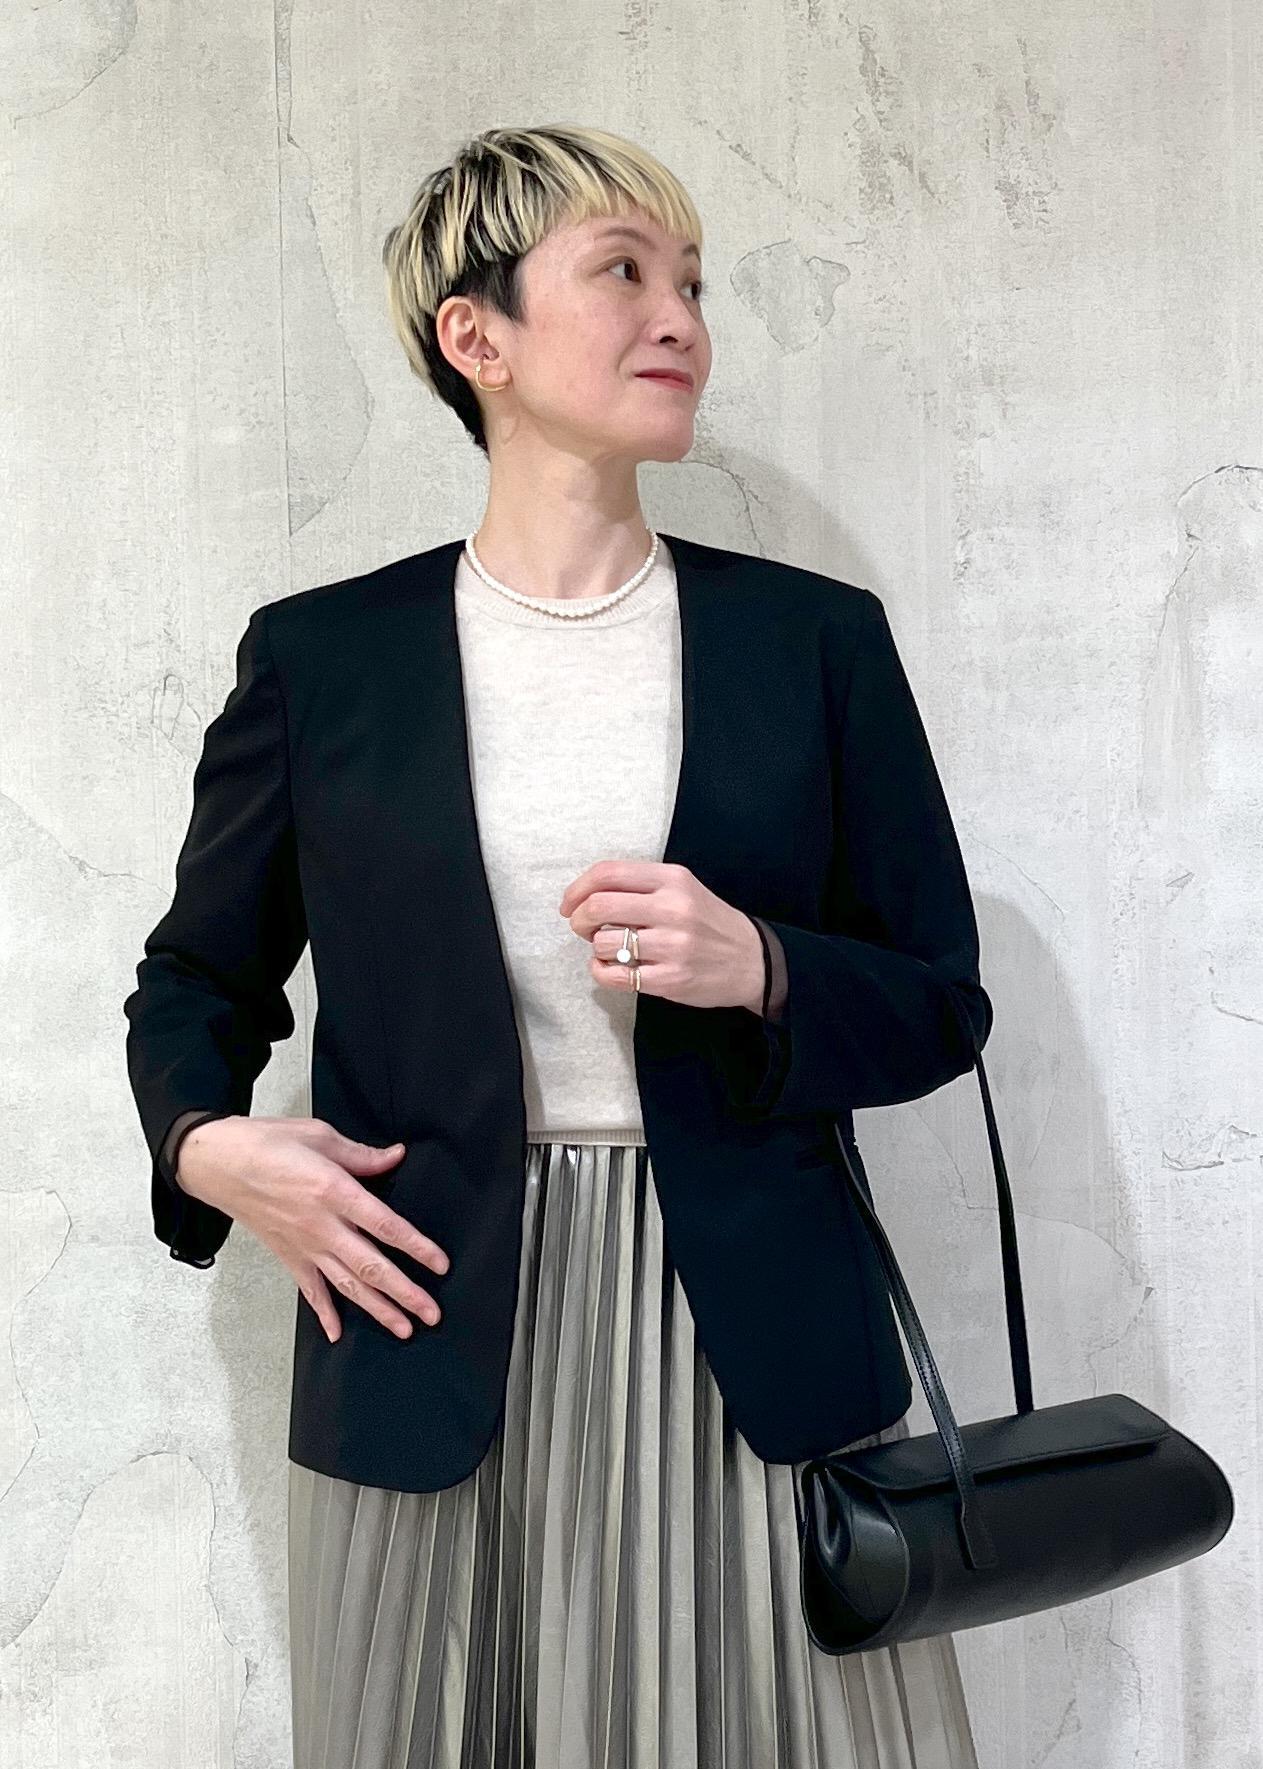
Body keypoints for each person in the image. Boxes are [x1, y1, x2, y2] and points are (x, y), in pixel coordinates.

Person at [127, 124, 986, 1767]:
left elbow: (943, 999)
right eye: (624, 273)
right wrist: (210, 1146)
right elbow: (195, 980)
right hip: (430, 1310)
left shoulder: (811, 642)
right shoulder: (325, 660)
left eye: (694, 284)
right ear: (479, 336)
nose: (682, 319)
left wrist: (764, 963)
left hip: (746, 1328)